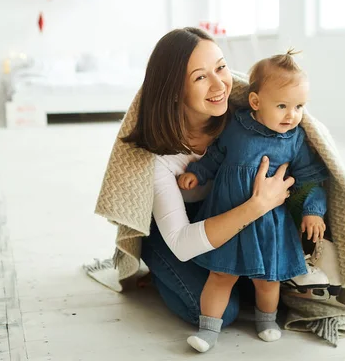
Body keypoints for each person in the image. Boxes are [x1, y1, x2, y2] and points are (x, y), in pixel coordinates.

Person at [121, 27, 295, 343]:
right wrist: (257, 205)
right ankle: (160, 272)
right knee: (223, 312)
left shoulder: (247, 119)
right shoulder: (158, 157)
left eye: (221, 67)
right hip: (172, 232)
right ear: (175, 90)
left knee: (270, 283)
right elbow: (183, 241)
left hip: (226, 216)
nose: (219, 85)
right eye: (201, 77)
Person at [177, 50, 328, 352]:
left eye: (299, 106)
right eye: (282, 106)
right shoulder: (237, 127)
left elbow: (311, 177)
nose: (292, 115)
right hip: (227, 216)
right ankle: (208, 329)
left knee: (267, 279)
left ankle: (266, 319)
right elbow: (217, 155)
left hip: (269, 225)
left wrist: (313, 210)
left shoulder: (294, 139)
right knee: (221, 275)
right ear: (256, 102)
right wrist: (198, 172)